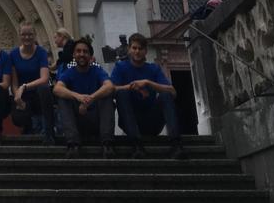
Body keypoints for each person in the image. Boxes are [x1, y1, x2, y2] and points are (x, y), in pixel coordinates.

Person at [110, 32, 185, 160]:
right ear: (129, 49)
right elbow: (110, 89)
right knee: (121, 93)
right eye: (134, 48)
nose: (137, 51)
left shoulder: (153, 68)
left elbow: (173, 92)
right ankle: (137, 146)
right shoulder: (120, 67)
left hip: (152, 122)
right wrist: (132, 86)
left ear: (145, 51)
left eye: (140, 48)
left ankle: (176, 144)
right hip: (130, 121)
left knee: (166, 95)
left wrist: (148, 83)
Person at [53, 37, 115, 158]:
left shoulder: (97, 71)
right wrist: (78, 97)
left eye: (85, 52)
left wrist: (91, 98)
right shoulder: (69, 72)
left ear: (90, 56)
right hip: (77, 121)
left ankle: (107, 144)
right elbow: (57, 89)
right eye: (78, 51)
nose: (81, 54)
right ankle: (73, 144)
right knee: (63, 98)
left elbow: (110, 86)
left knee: (106, 96)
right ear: (73, 55)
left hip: (96, 120)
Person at [10, 23, 55, 144]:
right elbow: (14, 83)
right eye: (24, 34)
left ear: (35, 35)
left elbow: (44, 78)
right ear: (19, 35)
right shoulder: (13, 54)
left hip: (38, 94)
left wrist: (24, 86)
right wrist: (17, 97)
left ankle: (49, 132)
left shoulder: (41, 52)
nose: (27, 37)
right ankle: (27, 127)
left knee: (44, 89)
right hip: (23, 96)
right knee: (18, 118)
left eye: (30, 34)